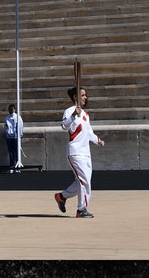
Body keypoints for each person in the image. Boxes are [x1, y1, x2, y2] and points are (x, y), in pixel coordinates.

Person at [54, 86, 105, 218]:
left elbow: (89, 133)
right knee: (84, 180)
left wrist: (98, 140)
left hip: (86, 153)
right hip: (75, 152)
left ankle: (61, 196)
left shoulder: (85, 114)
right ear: (75, 97)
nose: (85, 98)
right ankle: (81, 209)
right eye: (82, 95)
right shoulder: (69, 111)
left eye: (85, 95)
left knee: (81, 181)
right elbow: (64, 126)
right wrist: (72, 116)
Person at [4, 103, 24, 170]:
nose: (10, 110)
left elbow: (21, 126)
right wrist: (7, 133)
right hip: (9, 137)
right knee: (11, 152)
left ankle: (17, 166)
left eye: (12, 109)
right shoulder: (7, 117)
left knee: (17, 152)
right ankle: (12, 166)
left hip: (16, 137)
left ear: (15, 109)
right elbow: (6, 126)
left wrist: (20, 135)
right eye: (9, 109)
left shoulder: (18, 117)